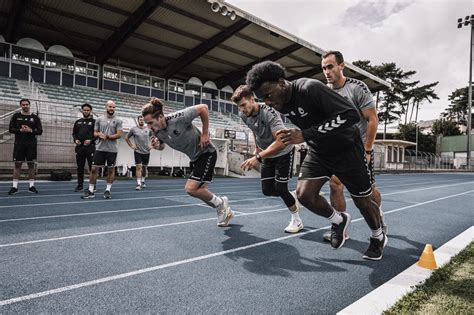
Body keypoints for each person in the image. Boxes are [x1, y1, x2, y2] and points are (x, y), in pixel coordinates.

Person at [246, 61, 387, 260]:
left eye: (268, 95)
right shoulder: (279, 103)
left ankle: (378, 236)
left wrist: (306, 134)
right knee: (304, 195)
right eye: (262, 99)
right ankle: (338, 220)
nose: (267, 102)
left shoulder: (309, 88)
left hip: (347, 150)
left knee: (362, 200)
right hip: (319, 150)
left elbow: (350, 115)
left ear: (281, 82)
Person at [321, 51, 386, 242]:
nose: (327, 71)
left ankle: (378, 215)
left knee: (368, 191)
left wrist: (367, 150)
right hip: (339, 147)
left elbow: (373, 120)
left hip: (360, 145)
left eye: (330, 66)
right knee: (335, 184)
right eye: (324, 68)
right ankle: (341, 228)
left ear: (342, 66)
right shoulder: (325, 91)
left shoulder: (357, 88)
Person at [141, 98, 234, 227]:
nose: (149, 127)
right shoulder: (156, 132)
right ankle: (223, 211)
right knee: (202, 192)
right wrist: (158, 147)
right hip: (194, 158)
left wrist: (205, 133)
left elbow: (203, 108)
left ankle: (221, 204)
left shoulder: (178, 118)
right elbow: (162, 146)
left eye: (150, 123)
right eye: (147, 124)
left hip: (206, 153)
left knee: (190, 189)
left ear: (160, 116)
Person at [232, 85, 303, 233]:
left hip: (283, 152)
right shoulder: (244, 115)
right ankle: (292, 196)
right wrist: (257, 147)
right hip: (266, 153)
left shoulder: (269, 113)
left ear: (253, 99)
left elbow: (280, 141)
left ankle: (297, 220)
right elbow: (253, 129)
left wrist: (258, 157)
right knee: (267, 190)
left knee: (281, 188)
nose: (242, 109)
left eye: (244, 105)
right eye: (239, 107)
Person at [82, 100, 123, 199]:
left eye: (113, 107)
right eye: (110, 107)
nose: (111, 108)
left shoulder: (118, 120)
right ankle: (91, 191)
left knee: (110, 170)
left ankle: (107, 190)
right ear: (106, 107)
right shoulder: (99, 119)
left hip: (112, 150)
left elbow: (119, 134)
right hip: (99, 148)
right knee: (94, 169)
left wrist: (108, 137)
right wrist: (99, 134)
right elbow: (95, 133)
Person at [8, 98, 43, 195]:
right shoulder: (16, 116)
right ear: (20, 105)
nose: (25, 106)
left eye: (27, 104)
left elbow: (40, 131)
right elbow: (11, 129)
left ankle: (31, 186)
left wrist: (30, 130)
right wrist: (20, 130)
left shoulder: (35, 118)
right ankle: (14, 187)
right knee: (17, 164)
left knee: (31, 165)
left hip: (31, 145)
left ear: (29, 105)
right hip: (19, 144)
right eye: (23, 104)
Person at [125, 115, 154, 190]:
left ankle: (143, 181)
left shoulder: (148, 129)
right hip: (137, 151)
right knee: (138, 167)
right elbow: (126, 138)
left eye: (142, 120)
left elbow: (154, 138)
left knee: (144, 168)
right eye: (140, 120)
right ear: (138, 121)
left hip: (146, 152)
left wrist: (152, 146)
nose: (141, 121)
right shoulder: (133, 129)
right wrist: (132, 146)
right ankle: (138, 183)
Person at [72, 103, 96, 192]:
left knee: (92, 168)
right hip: (79, 148)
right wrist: (75, 140)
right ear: (82, 110)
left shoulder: (94, 122)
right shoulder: (77, 122)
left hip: (90, 147)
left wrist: (91, 140)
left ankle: (93, 185)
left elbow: (97, 135)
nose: (86, 111)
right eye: (84, 110)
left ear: (90, 111)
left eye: (88, 110)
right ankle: (80, 185)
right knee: (80, 167)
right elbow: (74, 133)